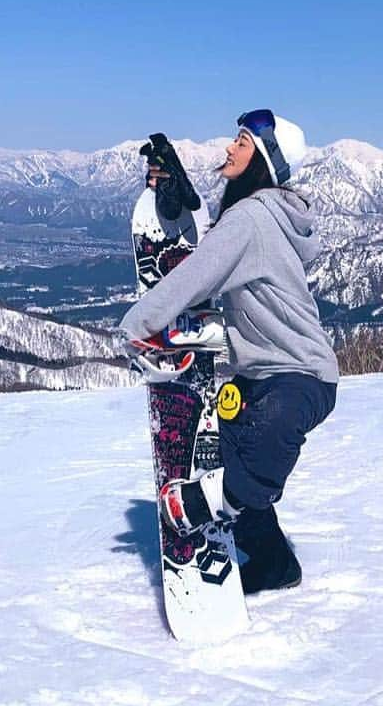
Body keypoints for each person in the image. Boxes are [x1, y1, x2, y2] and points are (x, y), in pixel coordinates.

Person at [119, 109, 339, 594]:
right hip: (259, 375)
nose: (229, 148)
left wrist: (137, 324)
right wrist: (172, 201)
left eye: (241, 142)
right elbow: (214, 249)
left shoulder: (253, 219)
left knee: (257, 462)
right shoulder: (260, 214)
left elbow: (196, 274)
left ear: (262, 157)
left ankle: (205, 503)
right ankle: (273, 562)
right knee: (233, 452)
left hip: (299, 377)